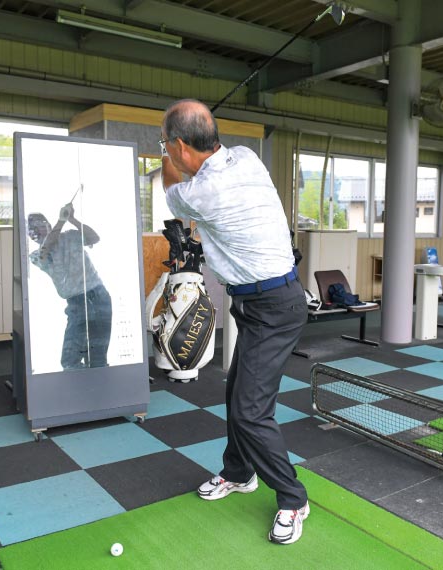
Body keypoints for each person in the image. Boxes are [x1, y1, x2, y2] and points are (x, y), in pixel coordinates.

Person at [160, 99, 309, 545]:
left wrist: (162, 156)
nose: (168, 151)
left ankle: (293, 498)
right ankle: (239, 472)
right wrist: (174, 144)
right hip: (261, 303)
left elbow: (171, 184)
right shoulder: (246, 156)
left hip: (274, 308)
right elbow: (196, 164)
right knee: (237, 392)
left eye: (169, 145)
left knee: (250, 410)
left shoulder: (199, 193)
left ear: (181, 146)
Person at [27, 202, 112, 370]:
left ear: (48, 224)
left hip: (99, 295)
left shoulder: (71, 236)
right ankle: (81, 385)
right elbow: (46, 249)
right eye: (33, 229)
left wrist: (72, 219)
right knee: (70, 360)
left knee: (97, 357)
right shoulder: (36, 255)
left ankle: (98, 384)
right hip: (77, 303)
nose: (37, 230)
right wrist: (61, 220)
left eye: (40, 225)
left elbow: (94, 238)